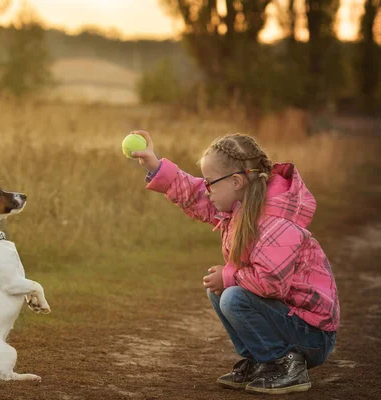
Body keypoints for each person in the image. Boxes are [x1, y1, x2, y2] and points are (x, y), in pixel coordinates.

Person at [130, 131, 339, 395]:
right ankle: (261, 360)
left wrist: (230, 275)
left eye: (210, 183)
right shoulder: (241, 207)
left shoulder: (275, 223)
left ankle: (286, 364)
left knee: (232, 297)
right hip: (288, 319)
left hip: (312, 335)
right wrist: (155, 165)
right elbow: (197, 196)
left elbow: (271, 282)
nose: (207, 190)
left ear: (237, 181)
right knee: (220, 292)